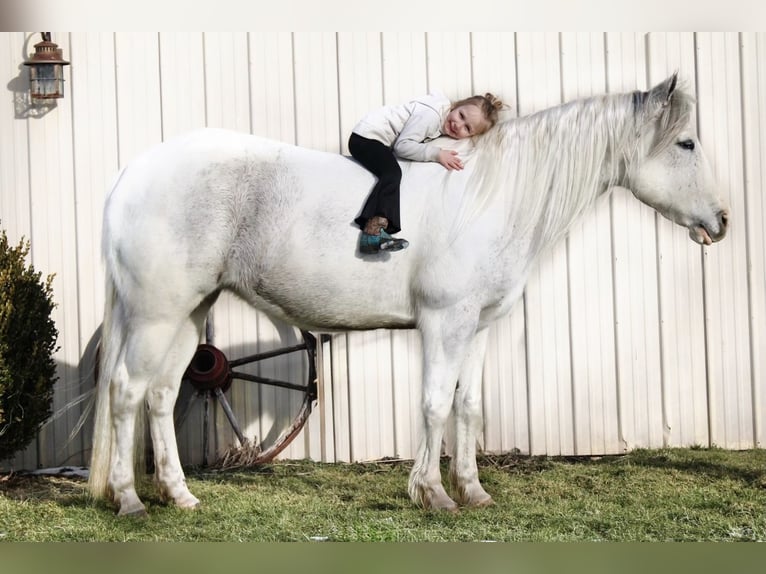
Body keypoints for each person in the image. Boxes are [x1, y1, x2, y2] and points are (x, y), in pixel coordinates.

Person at [349, 91, 505, 254]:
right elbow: (403, 146)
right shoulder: (431, 116)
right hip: (367, 137)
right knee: (392, 174)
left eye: (467, 128)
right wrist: (437, 154)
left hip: (375, 139)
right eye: (461, 115)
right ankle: (372, 234)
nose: (458, 125)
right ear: (456, 105)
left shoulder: (441, 118)